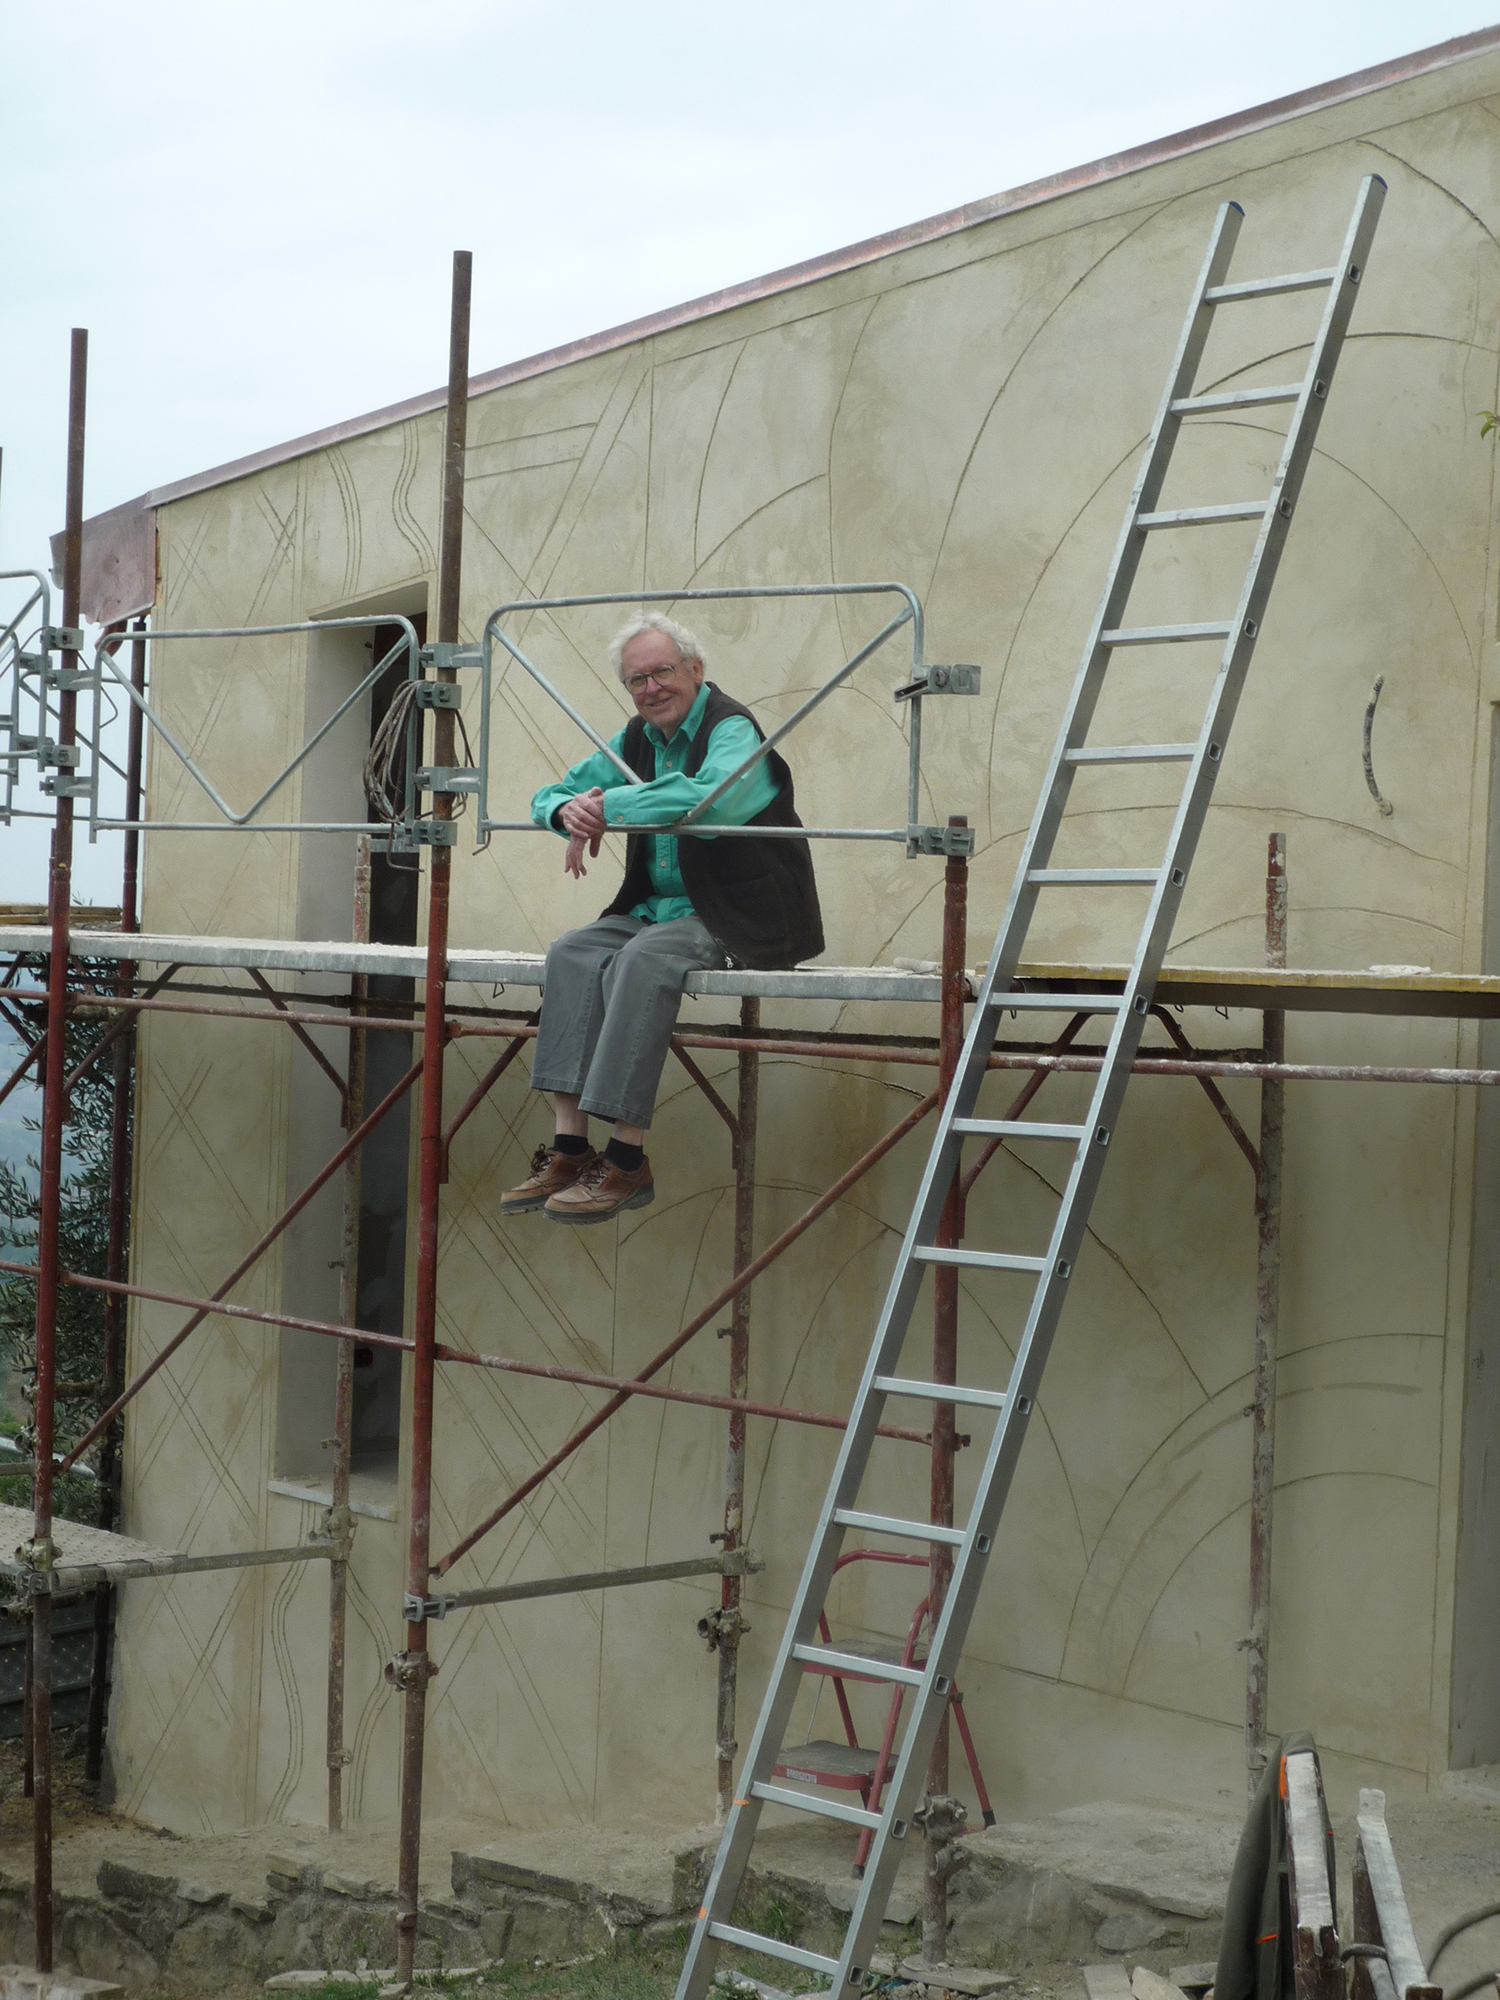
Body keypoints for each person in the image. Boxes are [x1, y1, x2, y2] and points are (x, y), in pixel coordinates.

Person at [501, 612, 824, 1224]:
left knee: (642, 959)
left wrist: (608, 806)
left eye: (663, 672)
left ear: (696, 670)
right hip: (658, 908)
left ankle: (626, 1160)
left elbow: (707, 799)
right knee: (571, 951)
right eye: (637, 680)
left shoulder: (733, 729)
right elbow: (553, 793)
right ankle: (569, 1150)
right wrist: (568, 811)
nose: (651, 689)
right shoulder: (635, 739)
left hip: (739, 911)